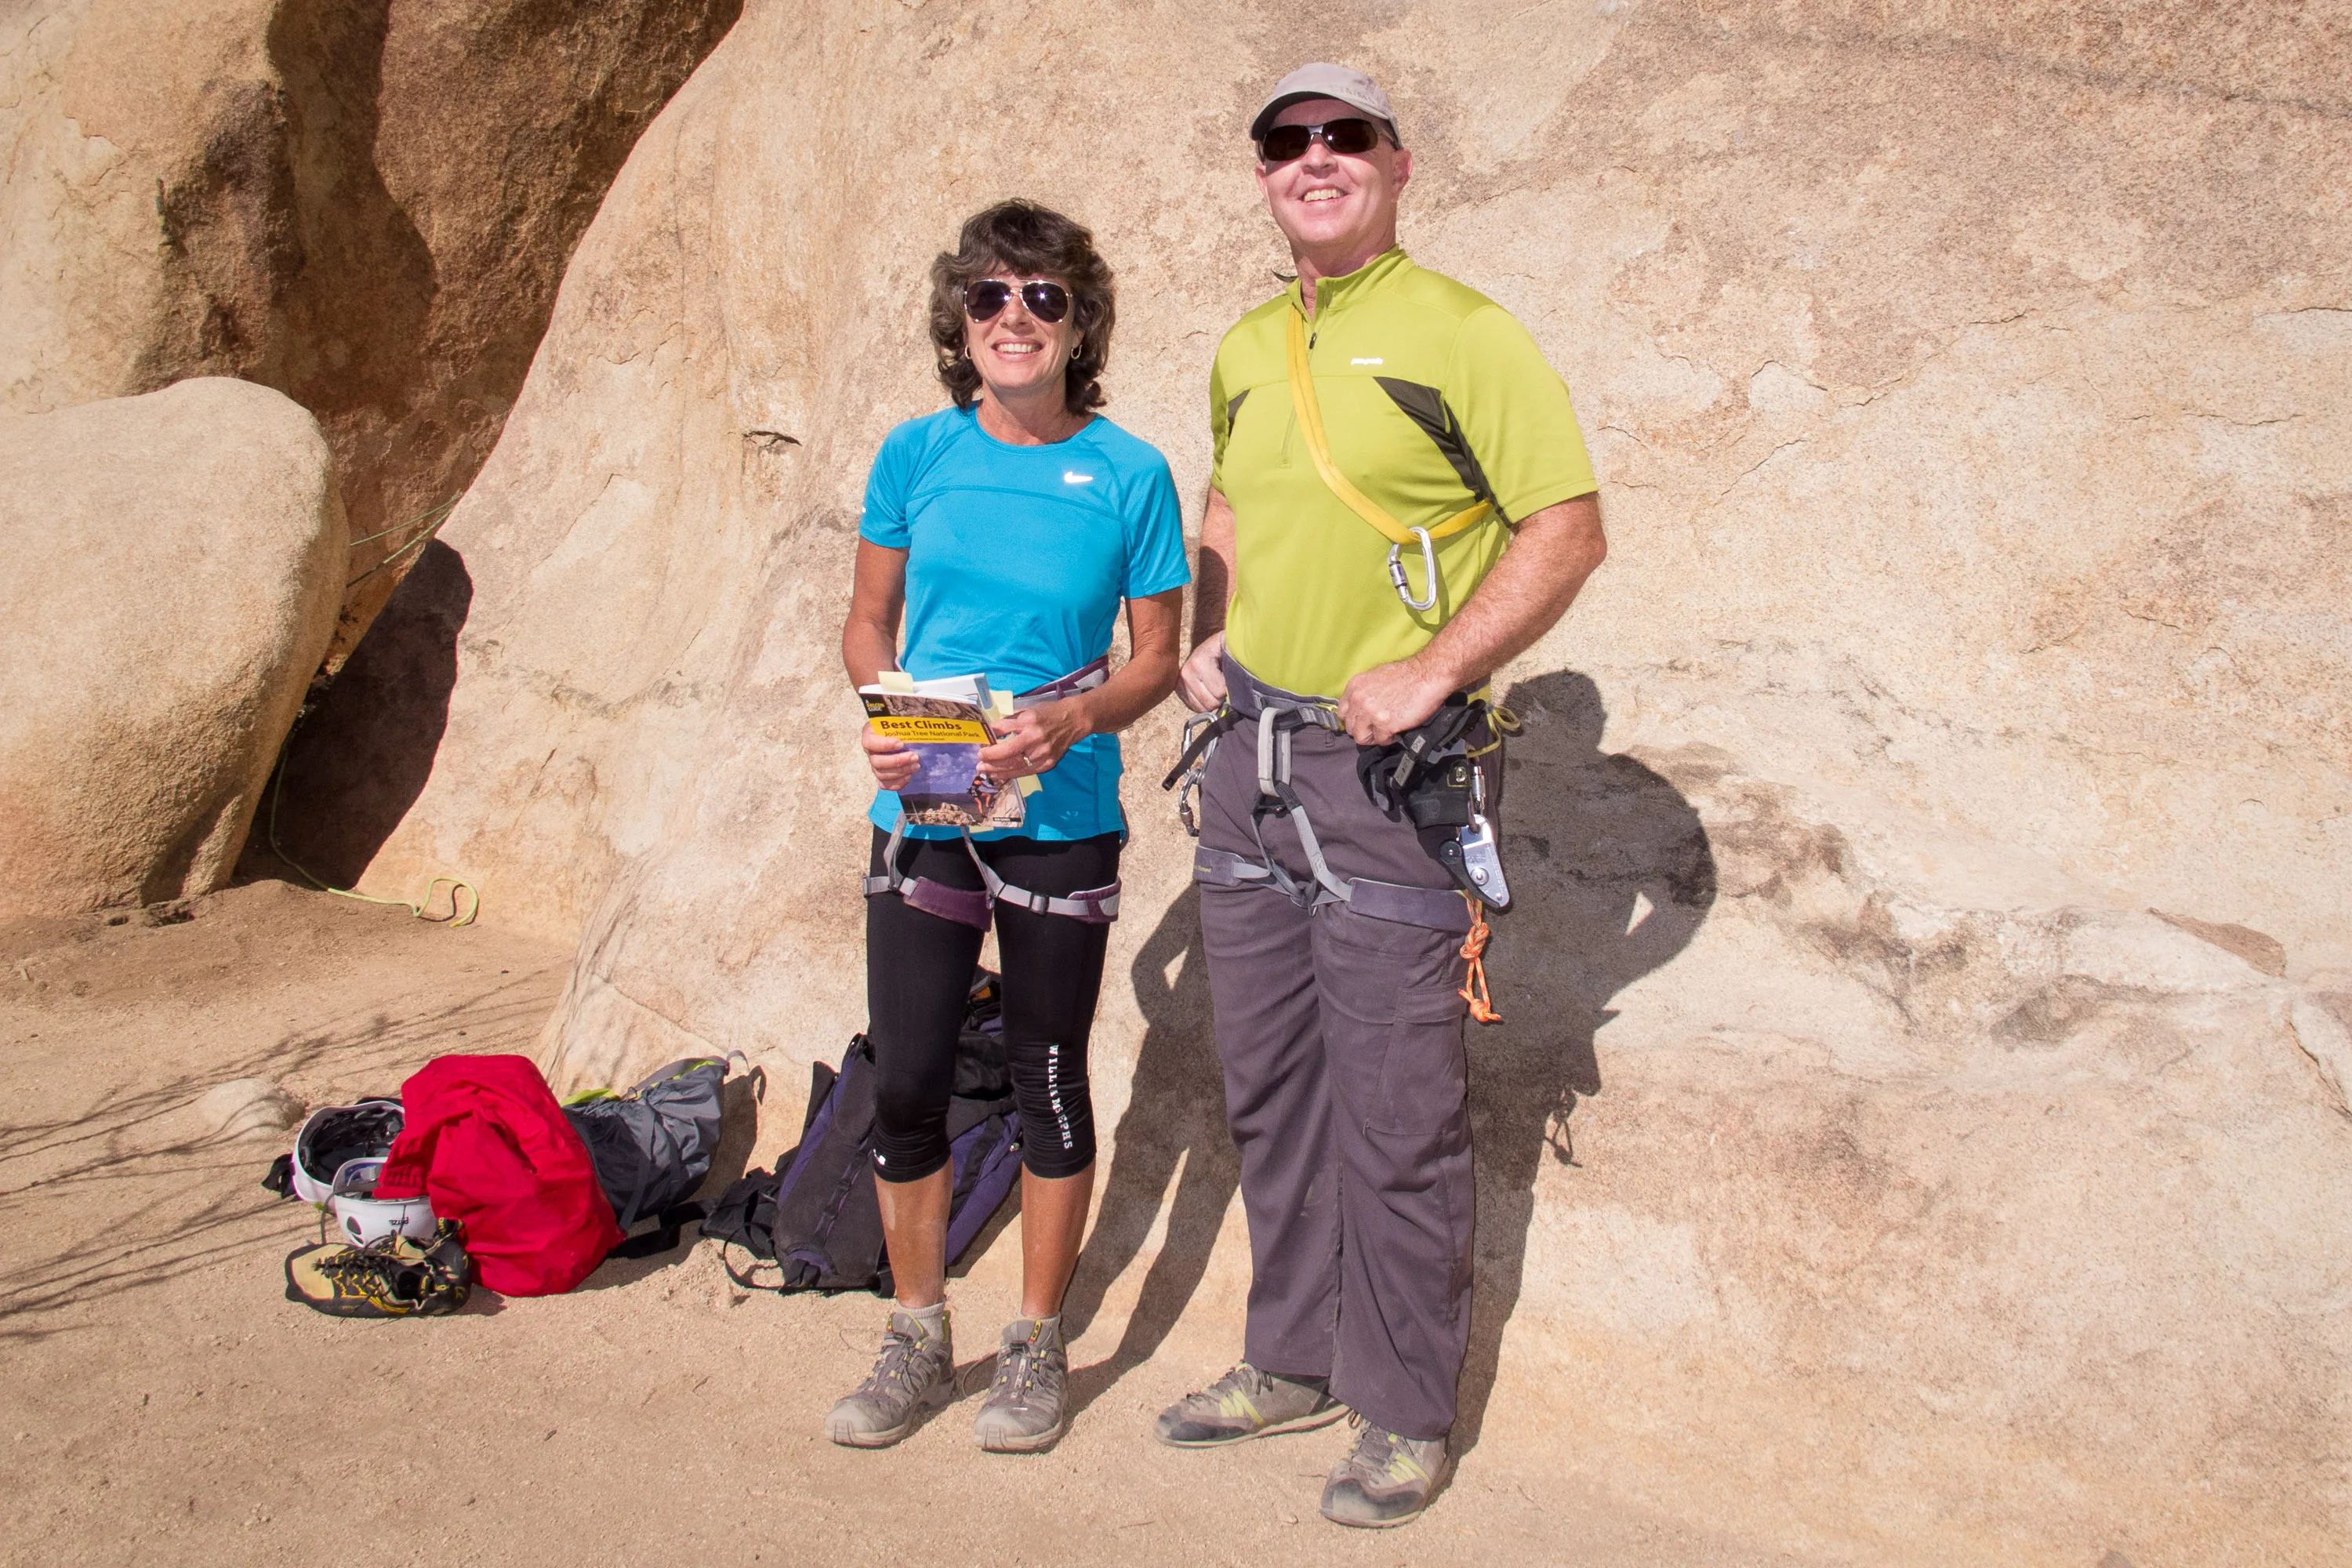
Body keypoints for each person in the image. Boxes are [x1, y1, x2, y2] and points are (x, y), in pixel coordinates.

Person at [1156, 64, 1608, 1527]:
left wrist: (1432, 670)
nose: (1316, 158)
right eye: (1287, 143)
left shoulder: (1463, 333)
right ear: (1266, 176)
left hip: (1387, 784)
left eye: (1345, 137)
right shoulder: (1243, 345)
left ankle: (1407, 1410)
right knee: (1275, 1093)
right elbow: (1228, 495)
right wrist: (1207, 630)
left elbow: (1568, 527)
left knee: (1400, 1111)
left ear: (1400, 165)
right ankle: (1289, 1361)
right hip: (1250, 770)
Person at [835, 200, 1188, 1453]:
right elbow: (868, 623)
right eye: (989, 296)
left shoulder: (1132, 472)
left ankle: (1034, 1346)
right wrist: (887, 719)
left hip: (1064, 810)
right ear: (959, 319)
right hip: (926, 799)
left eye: (1042, 297)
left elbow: (1157, 660)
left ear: (1079, 319)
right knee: (911, 1079)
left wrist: (1076, 720)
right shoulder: (915, 454)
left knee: (1049, 1078)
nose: (1013, 318)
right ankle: (919, 1336)